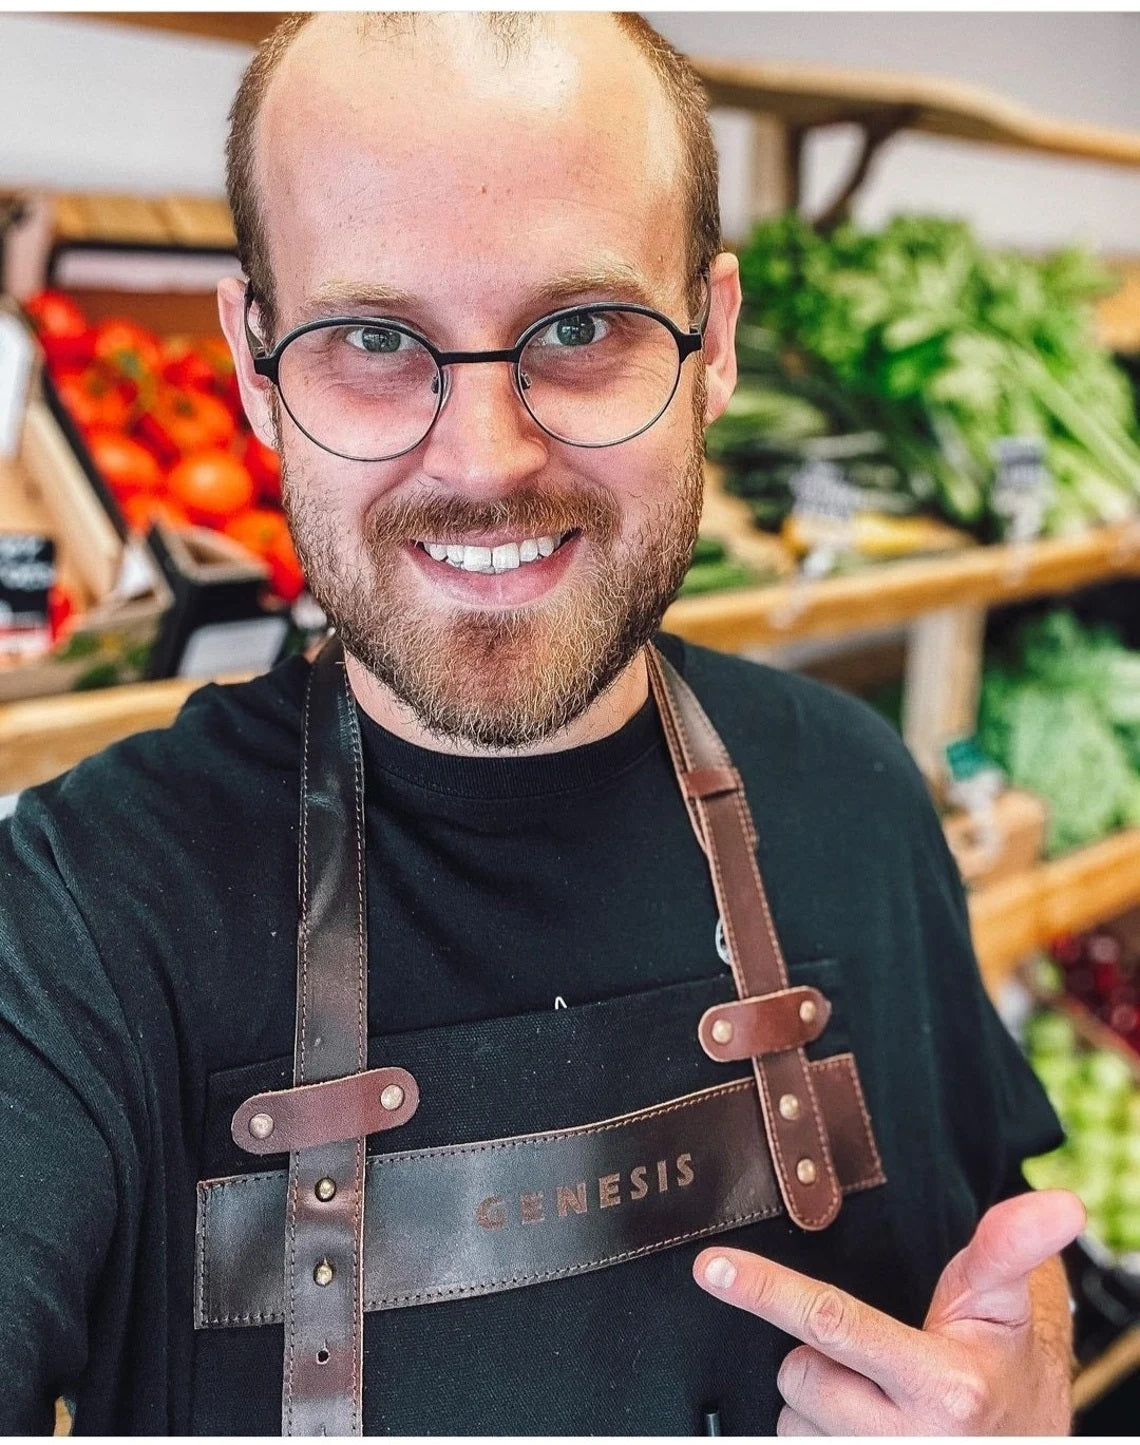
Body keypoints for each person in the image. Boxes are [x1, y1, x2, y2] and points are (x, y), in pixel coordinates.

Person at [0, 11, 1082, 1436]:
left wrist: (1025, 1381)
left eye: (581, 328)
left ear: (717, 345)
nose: (485, 458)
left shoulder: (858, 791)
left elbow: (997, 1246)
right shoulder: (82, 912)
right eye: (374, 337)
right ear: (259, 369)